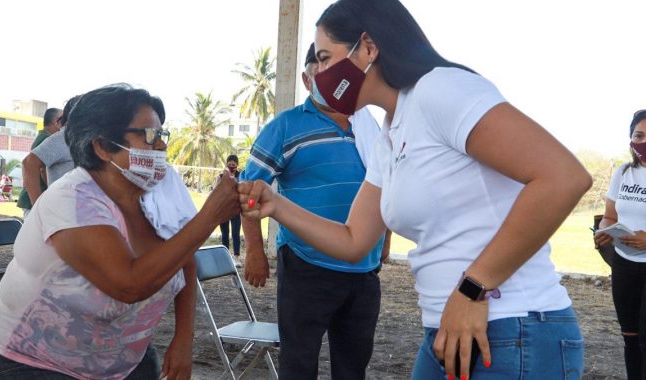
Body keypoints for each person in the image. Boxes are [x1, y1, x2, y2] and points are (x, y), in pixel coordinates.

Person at [238, 0, 593, 378]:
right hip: (447, 328)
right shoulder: (388, 133)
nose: (319, 73)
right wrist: (276, 205)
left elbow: (563, 177)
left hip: (511, 326)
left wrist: (473, 288)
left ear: (369, 48)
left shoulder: (440, 89)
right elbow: (354, 239)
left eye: (325, 58)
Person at [0, 83, 241, 380]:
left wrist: (184, 339)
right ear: (103, 147)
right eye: (150, 135)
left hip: (123, 358)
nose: (161, 145)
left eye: (162, 134)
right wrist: (209, 217)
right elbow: (128, 285)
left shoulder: (162, 185)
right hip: (39, 361)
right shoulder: (73, 199)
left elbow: (184, 259)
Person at [240, 42, 387, 380]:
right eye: (318, 68)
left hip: (362, 271)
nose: (328, 76)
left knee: (353, 367)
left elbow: (385, 186)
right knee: (299, 364)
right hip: (307, 267)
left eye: (334, 66)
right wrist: (254, 251)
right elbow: (249, 191)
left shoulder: (369, 126)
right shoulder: (285, 126)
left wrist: (384, 242)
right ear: (307, 81)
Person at [594, 109, 646, 380]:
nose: (644, 142)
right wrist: (604, 231)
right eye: (639, 135)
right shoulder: (623, 173)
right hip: (624, 264)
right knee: (631, 338)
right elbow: (610, 216)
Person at [22, 96, 80, 207]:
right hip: (61, 211)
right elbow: (29, 163)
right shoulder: (63, 138)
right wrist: (38, 206)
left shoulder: (83, 140)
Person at [17, 107, 63, 217]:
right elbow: (40, 168)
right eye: (63, 120)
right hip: (34, 201)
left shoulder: (45, 137)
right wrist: (51, 189)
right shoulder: (47, 139)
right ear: (56, 122)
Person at [219, 154, 243, 266]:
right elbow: (217, 191)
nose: (232, 166)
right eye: (229, 164)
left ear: (237, 165)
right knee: (225, 233)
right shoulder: (221, 176)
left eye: (234, 164)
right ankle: (225, 257)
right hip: (224, 209)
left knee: (235, 233)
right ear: (226, 165)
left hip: (235, 210)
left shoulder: (241, 176)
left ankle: (236, 257)